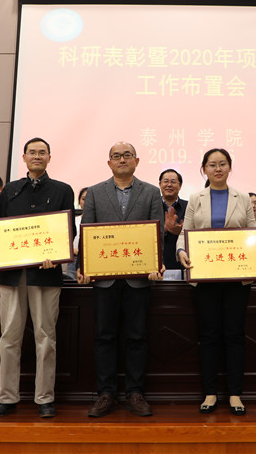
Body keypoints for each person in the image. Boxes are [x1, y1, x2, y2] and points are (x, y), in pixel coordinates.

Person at [176, 149, 256, 416]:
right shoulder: (196, 198)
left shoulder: (242, 198)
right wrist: (181, 251)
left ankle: (235, 394)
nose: (217, 169)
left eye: (222, 164)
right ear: (204, 169)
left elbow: (252, 233)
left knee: (235, 334)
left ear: (230, 167)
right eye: (212, 165)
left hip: (237, 277)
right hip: (205, 277)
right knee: (208, 335)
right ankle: (210, 392)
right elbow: (185, 234)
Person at [0, 138, 75, 420]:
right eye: (32, 152)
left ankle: (45, 398)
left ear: (49, 157)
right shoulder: (10, 190)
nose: (37, 156)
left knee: (46, 337)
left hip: (46, 274)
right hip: (12, 275)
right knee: (9, 337)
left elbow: (68, 231)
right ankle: (6, 397)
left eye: (42, 152)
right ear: (24, 157)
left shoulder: (62, 190)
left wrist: (57, 254)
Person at [76, 142, 164, 418]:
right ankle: (106, 394)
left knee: (137, 336)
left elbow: (157, 233)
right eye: (116, 156)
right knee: (104, 336)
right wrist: (83, 267)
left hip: (139, 277)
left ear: (137, 161)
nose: (122, 159)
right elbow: (86, 231)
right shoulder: (95, 192)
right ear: (109, 163)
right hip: (105, 279)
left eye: (127, 155)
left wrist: (156, 263)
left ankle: (135, 392)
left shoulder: (151, 192)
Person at [159, 169, 188, 274]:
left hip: (183, 264)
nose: (169, 185)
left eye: (173, 182)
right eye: (166, 181)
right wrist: (164, 229)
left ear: (180, 186)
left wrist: (184, 232)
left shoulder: (189, 206)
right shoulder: (152, 206)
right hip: (158, 266)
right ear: (160, 184)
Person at [64, 187, 88, 280]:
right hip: (74, 259)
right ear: (79, 201)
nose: (86, 202)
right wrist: (73, 250)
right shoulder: (72, 220)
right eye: (83, 199)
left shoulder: (100, 222)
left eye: (89, 199)